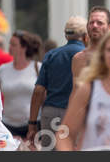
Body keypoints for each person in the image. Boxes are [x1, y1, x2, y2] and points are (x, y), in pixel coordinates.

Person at [28, 15, 86, 147]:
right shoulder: (87, 56)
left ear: (66, 35)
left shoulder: (51, 55)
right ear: (85, 35)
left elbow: (38, 91)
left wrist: (32, 124)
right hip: (76, 113)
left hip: (51, 113)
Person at [0, 31, 41, 135]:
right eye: (9, 44)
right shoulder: (2, 70)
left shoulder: (38, 68)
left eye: (13, 44)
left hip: (33, 126)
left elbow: (44, 96)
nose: (10, 47)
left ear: (24, 47)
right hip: (7, 125)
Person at [71, 6, 110, 79]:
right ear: (87, 26)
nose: (94, 26)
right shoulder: (78, 58)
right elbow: (76, 88)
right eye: (91, 22)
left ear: (109, 28)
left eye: (100, 23)